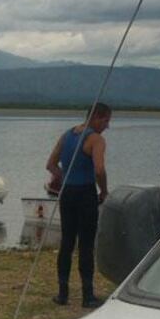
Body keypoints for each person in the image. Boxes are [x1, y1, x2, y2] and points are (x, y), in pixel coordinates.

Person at [45, 103, 111, 308]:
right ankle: (87, 295)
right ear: (98, 117)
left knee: (67, 242)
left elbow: (50, 164)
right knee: (86, 244)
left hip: (67, 193)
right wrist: (104, 191)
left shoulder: (67, 135)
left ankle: (62, 294)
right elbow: (99, 170)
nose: (107, 126)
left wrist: (65, 177)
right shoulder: (96, 139)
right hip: (85, 193)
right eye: (107, 121)